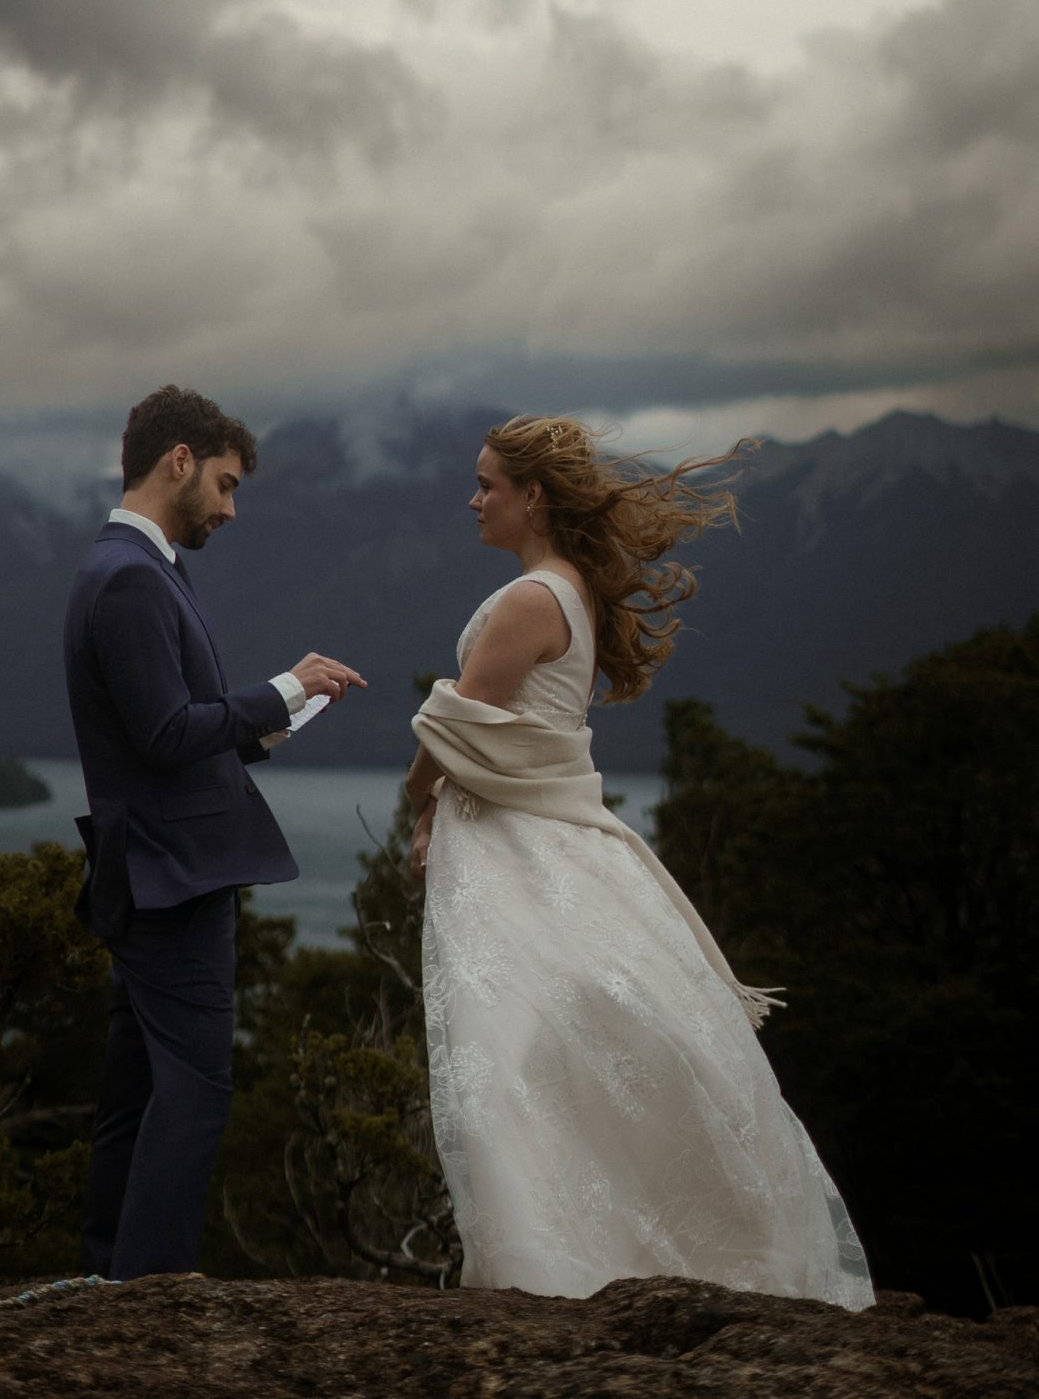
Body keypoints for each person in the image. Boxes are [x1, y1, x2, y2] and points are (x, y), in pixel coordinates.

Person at [407, 413, 873, 1308]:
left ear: (531, 495)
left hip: (512, 849)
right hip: (543, 836)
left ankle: (541, 1269)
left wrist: (416, 796)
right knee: (556, 1051)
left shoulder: (531, 598)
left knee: (507, 1058)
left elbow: (456, 726)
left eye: (487, 485)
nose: (473, 501)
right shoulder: (572, 589)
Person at [64, 383, 365, 1280]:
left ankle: (108, 1276)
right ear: (179, 462)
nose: (230, 510)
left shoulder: (133, 567)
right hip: (173, 877)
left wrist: (271, 723)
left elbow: (166, 727)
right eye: (226, 485)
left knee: (136, 1092)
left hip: (151, 870)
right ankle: (150, 1291)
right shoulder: (129, 577)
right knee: (195, 1091)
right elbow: (163, 735)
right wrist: (281, 689)